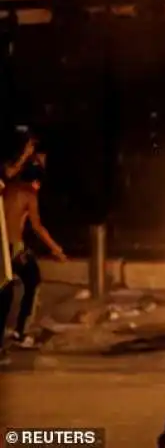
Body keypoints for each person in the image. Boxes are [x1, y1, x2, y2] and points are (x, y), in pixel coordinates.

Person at [0, 150, 67, 365]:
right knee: (33, 280)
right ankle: (22, 330)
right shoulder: (29, 195)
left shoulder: (8, 189)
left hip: (3, 248)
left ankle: (14, 332)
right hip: (15, 249)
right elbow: (37, 227)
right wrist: (55, 249)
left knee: (7, 291)